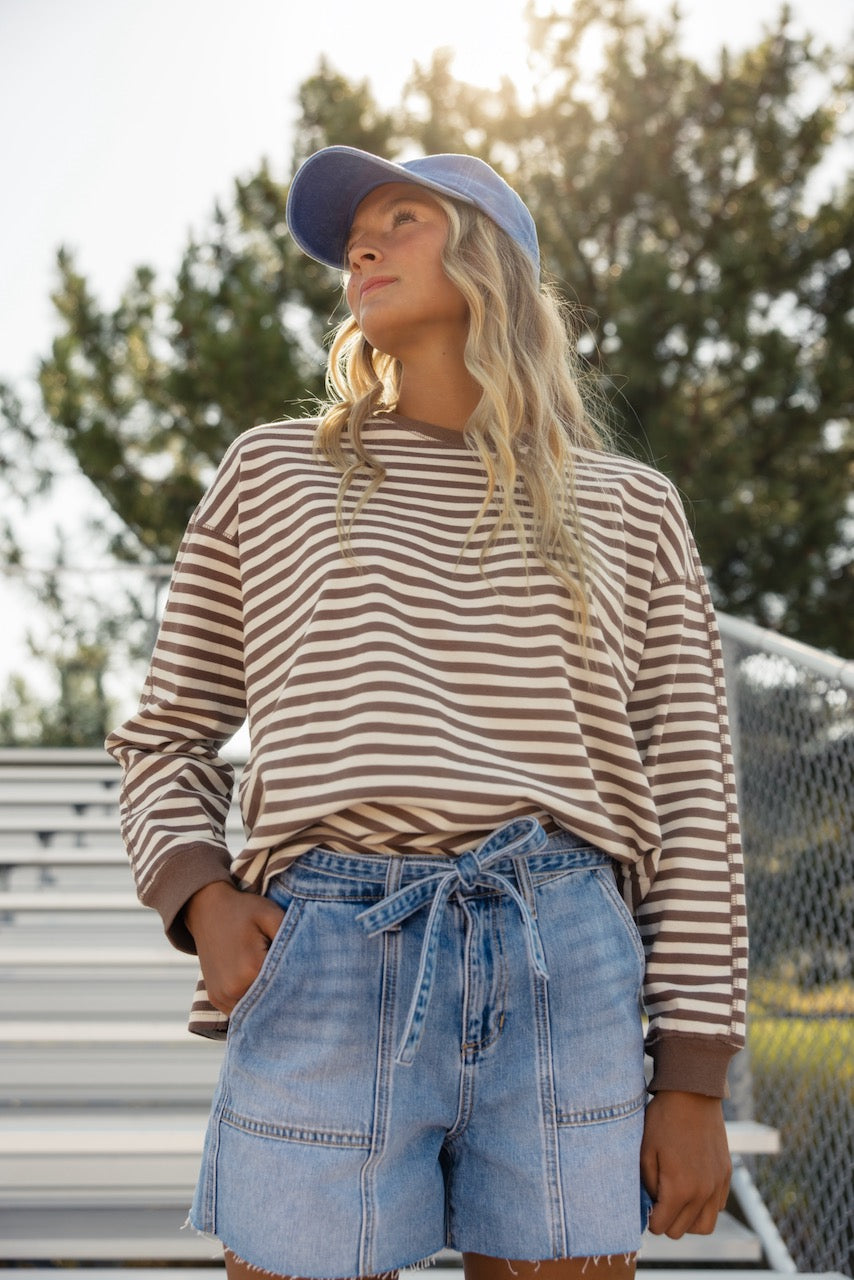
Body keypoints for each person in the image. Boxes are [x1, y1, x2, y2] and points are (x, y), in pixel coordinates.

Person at [106, 145, 748, 1280]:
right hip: (325, 951)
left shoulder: (632, 508)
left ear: (490, 255)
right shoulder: (270, 475)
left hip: (565, 948)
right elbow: (164, 737)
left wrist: (692, 1075)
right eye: (354, 232)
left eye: (401, 217)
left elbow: (694, 794)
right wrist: (202, 899)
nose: (361, 243)